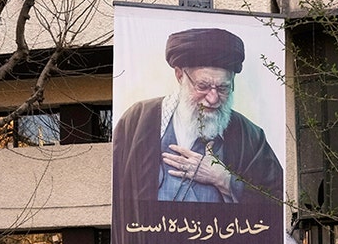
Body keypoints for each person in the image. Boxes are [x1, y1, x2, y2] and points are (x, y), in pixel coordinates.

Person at [113, 27, 284, 205]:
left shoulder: (251, 137)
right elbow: (118, 198)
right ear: (180, 75)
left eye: (223, 88)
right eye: (203, 86)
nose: (213, 98)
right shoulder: (137, 121)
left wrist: (224, 180)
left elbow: (276, 201)